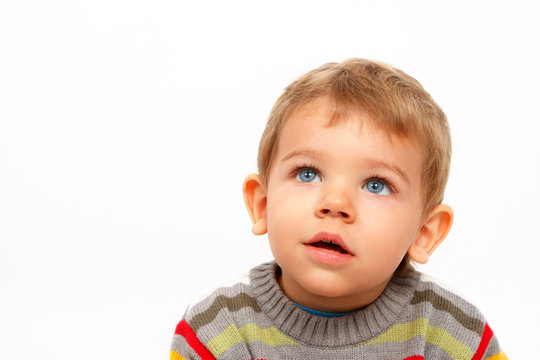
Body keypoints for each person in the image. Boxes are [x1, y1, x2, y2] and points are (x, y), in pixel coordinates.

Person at [169, 59, 507, 359]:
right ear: (263, 204)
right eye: (308, 174)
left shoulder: (452, 334)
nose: (335, 204)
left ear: (424, 233)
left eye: (376, 185)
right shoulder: (217, 329)